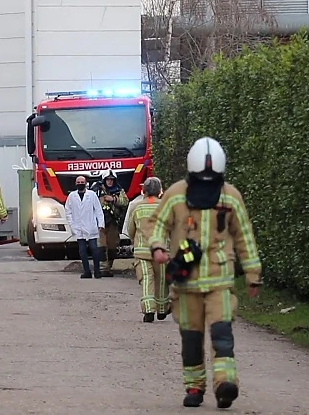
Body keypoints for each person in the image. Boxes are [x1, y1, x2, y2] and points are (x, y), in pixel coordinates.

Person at [149, 137, 263, 409]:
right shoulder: (176, 194)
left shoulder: (230, 197)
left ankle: (226, 383)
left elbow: (244, 236)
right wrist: (157, 247)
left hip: (219, 283)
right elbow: (157, 224)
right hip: (186, 284)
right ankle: (194, 387)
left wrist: (253, 274)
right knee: (191, 337)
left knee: (222, 332)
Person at [127, 177, 169, 322]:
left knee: (146, 280)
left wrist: (135, 240)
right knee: (162, 279)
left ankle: (149, 311)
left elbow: (130, 229)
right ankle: (162, 309)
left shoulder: (136, 207)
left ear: (143, 190)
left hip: (142, 251)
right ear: (160, 191)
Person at [64, 175, 105, 279]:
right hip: (78, 228)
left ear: (86, 183)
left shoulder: (92, 195)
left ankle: (97, 271)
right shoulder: (72, 196)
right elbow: (68, 211)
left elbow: (98, 210)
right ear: (75, 184)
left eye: (82, 182)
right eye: (78, 182)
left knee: (94, 249)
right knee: (82, 251)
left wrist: (100, 224)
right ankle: (87, 272)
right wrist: (72, 225)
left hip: (91, 226)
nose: (80, 184)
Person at [91, 169, 128, 277]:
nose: (110, 182)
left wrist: (113, 199)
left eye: (112, 180)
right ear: (104, 180)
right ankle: (102, 268)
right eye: (108, 180)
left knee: (112, 246)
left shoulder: (119, 190)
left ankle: (108, 267)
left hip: (113, 221)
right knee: (101, 246)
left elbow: (125, 201)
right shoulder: (96, 190)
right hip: (99, 223)